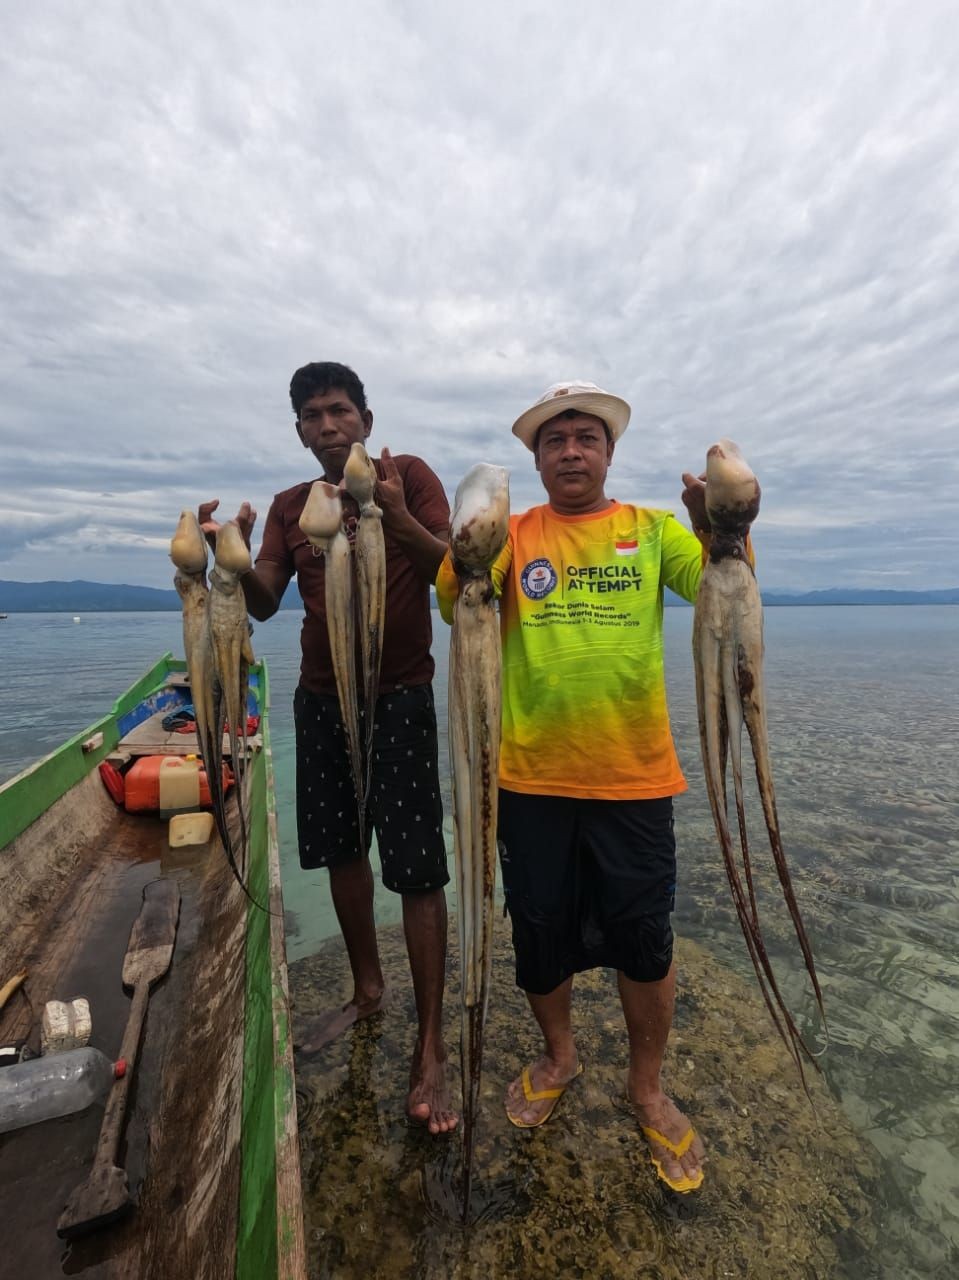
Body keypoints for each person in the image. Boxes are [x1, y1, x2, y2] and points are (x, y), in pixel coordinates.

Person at [437, 379, 722, 1190]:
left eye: (585, 438)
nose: (571, 450)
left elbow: (718, 589)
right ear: (534, 458)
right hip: (527, 780)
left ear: (608, 452)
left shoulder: (650, 530)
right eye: (554, 439)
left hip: (632, 779)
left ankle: (646, 1087)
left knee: (644, 938)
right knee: (539, 934)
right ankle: (559, 1057)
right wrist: (460, 538)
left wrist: (719, 527)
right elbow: (456, 602)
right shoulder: (513, 537)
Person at [201, 361, 457, 1133]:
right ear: (299, 431)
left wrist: (387, 512)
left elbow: (452, 570)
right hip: (319, 701)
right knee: (343, 852)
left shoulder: (407, 476)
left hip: (402, 695)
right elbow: (268, 602)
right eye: (312, 416)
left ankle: (431, 1042)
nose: (328, 425)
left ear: (366, 421)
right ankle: (367, 987)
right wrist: (233, 562)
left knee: (417, 867)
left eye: (340, 411)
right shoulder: (290, 506)